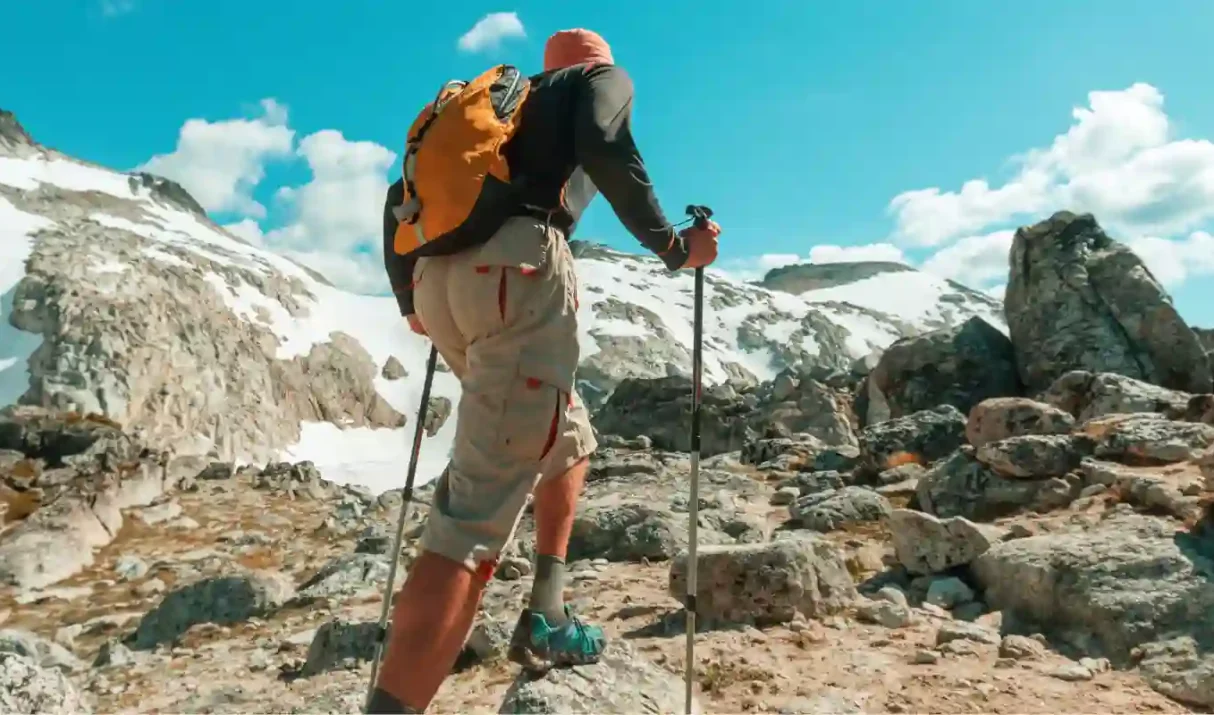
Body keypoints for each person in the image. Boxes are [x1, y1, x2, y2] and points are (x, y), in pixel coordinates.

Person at [369, 28, 722, 714]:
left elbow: (396, 197)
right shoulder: (595, 83)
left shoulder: (499, 108)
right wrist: (677, 249)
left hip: (444, 278)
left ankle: (547, 610)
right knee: (473, 516)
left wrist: (412, 296)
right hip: (518, 268)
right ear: (600, 63)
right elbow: (606, 141)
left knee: (568, 432)